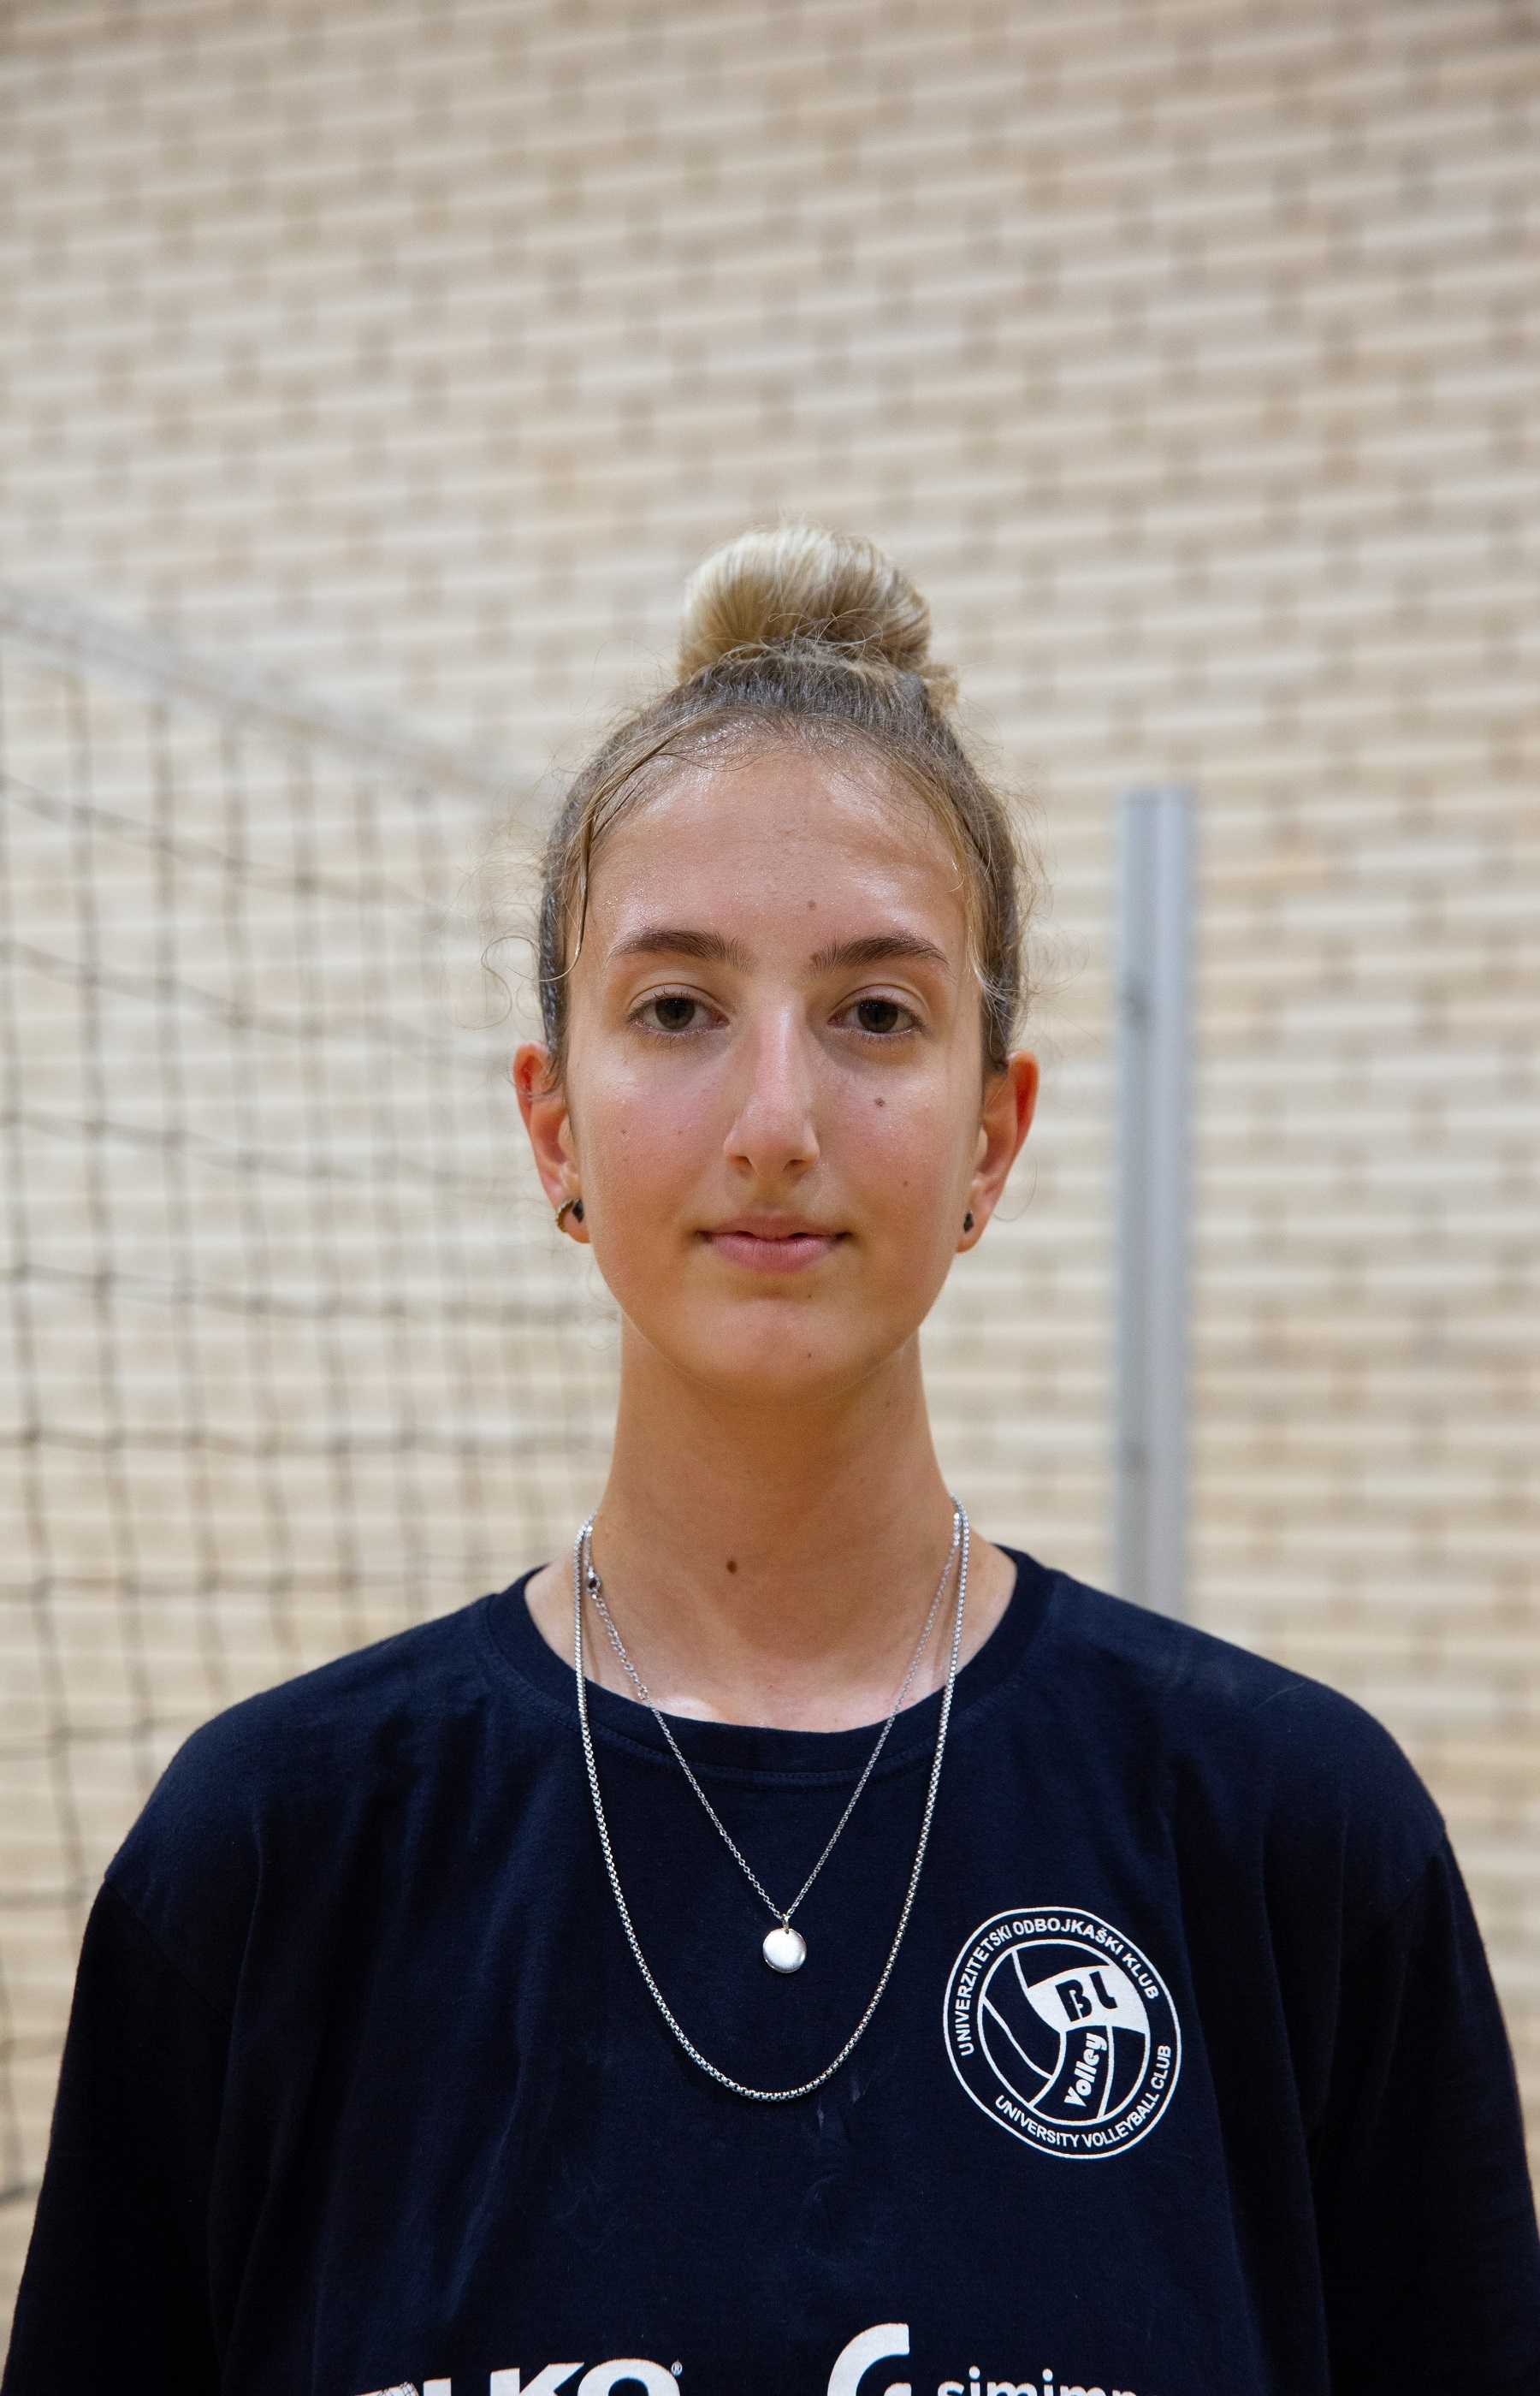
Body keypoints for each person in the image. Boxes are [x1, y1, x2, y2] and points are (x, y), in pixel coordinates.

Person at [4, 525, 1538, 2396]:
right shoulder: (264, 1857)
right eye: (677, 1008)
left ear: (993, 1136)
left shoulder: (1299, 1843)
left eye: (877, 1012)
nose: (777, 1119)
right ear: (552, 1126)